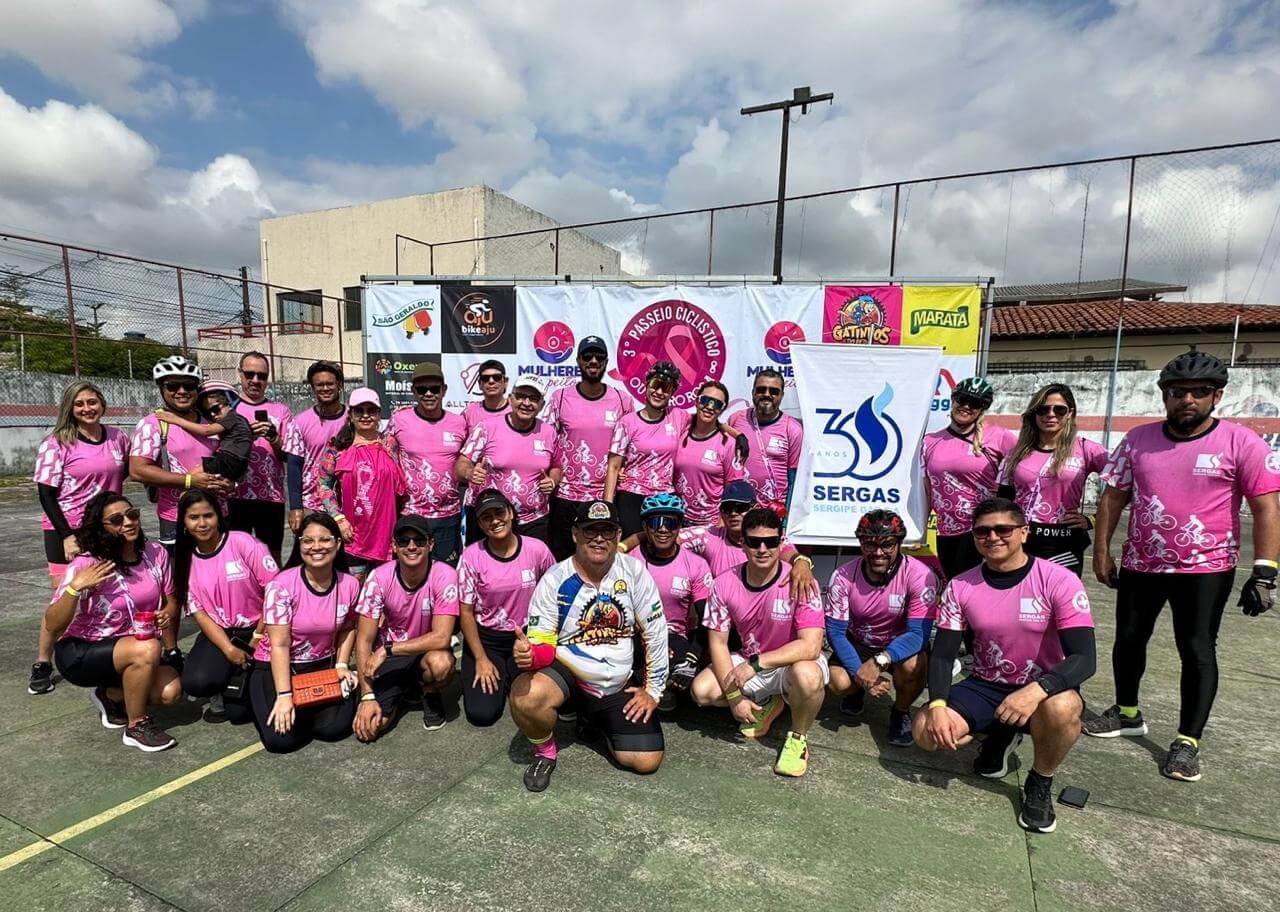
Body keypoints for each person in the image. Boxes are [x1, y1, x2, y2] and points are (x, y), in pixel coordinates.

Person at [1085, 352, 1280, 782]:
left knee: (1196, 650)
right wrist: (1101, 552)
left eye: (1199, 391)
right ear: (1164, 395)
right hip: (1142, 563)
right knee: (1129, 640)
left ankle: (1188, 741)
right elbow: (1113, 496)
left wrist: (1265, 570)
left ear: (1217, 396)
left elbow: (1266, 507)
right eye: (1177, 391)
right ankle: (1127, 713)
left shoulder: (1242, 442)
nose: (1187, 399)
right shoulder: (1138, 440)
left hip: (1206, 569)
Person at [915, 497, 1096, 835]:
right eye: (983, 531)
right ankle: (1001, 734)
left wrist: (1036, 690)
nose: (993, 537)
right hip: (986, 684)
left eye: (1003, 529)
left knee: (1064, 707)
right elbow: (942, 655)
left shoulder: (1059, 580)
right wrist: (937, 705)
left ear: (1024, 532)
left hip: (1043, 689)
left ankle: (1040, 780)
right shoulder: (960, 585)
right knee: (926, 733)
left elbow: (1085, 659)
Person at [508, 500, 668, 792]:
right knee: (525, 695)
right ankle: (545, 752)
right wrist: (530, 655)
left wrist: (653, 692)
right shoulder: (555, 578)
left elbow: (655, 633)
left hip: (618, 683)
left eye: (607, 531)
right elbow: (543, 644)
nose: (598, 539)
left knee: (646, 761)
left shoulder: (634, 572)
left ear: (618, 535)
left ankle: (595, 722)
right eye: (590, 530)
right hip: (571, 677)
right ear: (575, 534)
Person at [690, 508, 827, 777]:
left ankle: (797, 738)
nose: (762, 549)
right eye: (754, 542)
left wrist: (756, 664)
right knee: (702, 691)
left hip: (789, 664)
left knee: (808, 676)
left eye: (770, 542)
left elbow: (811, 646)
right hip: (752, 658)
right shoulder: (723, 583)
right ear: (742, 543)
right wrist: (734, 698)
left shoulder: (801, 581)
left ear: (780, 543)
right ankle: (767, 702)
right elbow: (718, 643)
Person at [45, 492, 183, 752]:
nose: (128, 522)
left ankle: (109, 694)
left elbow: (172, 601)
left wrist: (166, 613)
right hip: (82, 651)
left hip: (131, 648)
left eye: (132, 515)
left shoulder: (155, 553)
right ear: (101, 527)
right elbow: (53, 624)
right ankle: (137, 726)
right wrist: (75, 588)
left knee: (170, 691)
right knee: (148, 648)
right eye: (117, 520)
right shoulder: (88, 563)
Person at [29, 380, 130, 696]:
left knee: (107, 592)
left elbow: (126, 472)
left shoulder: (118, 437)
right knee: (64, 598)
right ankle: (43, 661)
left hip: (106, 528)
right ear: (70, 409)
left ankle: (102, 654)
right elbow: (46, 494)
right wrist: (67, 535)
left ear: (102, 403)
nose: (87, 408)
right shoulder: (57, 443)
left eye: (92, 402)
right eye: (79, 404)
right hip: (67, 530)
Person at [824, 510, 939, 746]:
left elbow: (918, 634)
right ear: (860, 543)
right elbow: (835, 633)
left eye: (887, 545)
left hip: (899, 644)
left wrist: (879, 661)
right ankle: (856, 691)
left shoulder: (920, 575)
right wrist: (860, 673)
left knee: (914, 664)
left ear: (899, 543)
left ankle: (900, 712)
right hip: (860, 642)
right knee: (837, 681)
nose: (878, 553)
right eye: (870, 544)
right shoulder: (842, 576)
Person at [249, 513, 360, 753]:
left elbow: (349, 627)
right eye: (308, 540)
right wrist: (284, 695)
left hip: (321, 664)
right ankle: (263, 698)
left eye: (325, 539)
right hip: (278, 665)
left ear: (338, 543)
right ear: (299, 545)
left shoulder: (350, 584)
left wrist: (342, 665)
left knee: (334, 729)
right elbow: (279, 645)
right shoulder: (281, 586)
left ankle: (306, 709)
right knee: (281, 741)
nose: (316, 547)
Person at [174, 490, 277, 724]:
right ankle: (222, 679)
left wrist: (258, 636)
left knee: (239, 714)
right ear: (184, 522)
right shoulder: (184, 560)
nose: (202, 524)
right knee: (197, 682)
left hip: (260, 628)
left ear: (219, 516)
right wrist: (228, 649)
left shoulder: (243, 542)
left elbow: (275, 592)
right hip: (220, 633)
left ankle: (241, 678)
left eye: (208, 515)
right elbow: (199, 613)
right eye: (194, 517)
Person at [352, 515, 459, 741]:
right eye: (403, 541)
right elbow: (363, 639)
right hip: (391, 661)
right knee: (369, 730)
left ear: (431, 544)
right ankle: (403, 692)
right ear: (393, 546)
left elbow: (442, 637)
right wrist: (367, 695)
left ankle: (428, 690)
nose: (411, 546)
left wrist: (387, 649)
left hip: (423, 652)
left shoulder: (445, 575)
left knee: (442, 663)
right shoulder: (378, 577)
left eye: (419, 540)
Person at [456, 489, 555, 727]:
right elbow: (466, 612)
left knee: (538, 699)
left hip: (527, 637)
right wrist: (480, 658)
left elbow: (554, 592)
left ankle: (511, 676)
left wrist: (544, 640)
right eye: (486, 517)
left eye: (499, 513)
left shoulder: (537, 549)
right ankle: (499, 674)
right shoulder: (471, 557)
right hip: (488, 640)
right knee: (482, 714)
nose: (494, 521)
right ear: (480, 523)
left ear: (510, 513)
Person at [621, 480, 818, 598]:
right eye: (727, 508)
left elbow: (789, 552)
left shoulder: (766, 537)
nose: (733, 513)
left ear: (755, 507)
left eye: (740, 508)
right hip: (722, 614)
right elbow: (664, 534)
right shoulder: (709, 535)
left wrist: (802, 562)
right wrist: (621, 547)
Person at [997, 384, 1108, 576]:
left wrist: (1092, 520)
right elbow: (1002, 500)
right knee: (1019, 593)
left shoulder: (1086, 449)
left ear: (1070, 413)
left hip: (1064, 541)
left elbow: (1126, 485)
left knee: (1060, 594)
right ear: (1034, 413)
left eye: (1059, 410)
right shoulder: (1016, 453)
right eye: (1043, 409)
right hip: (1021, 538)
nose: (1051, 414)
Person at [544, 336, 633, 559]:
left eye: (599, 357)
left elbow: (633, 443)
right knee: (562, 559)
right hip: (565, 496)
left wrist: (625, 468)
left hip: (605, 495)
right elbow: (546, 441)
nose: (593, 361)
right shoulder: (560, 397)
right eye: (587, 356)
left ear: (606, 362)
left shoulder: (622, 400)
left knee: (602, 560)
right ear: (578, 361)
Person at [922, 376, 1017, 580]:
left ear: (983, 408)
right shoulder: (930, 441)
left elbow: (1028, 476)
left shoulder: (1000, 437)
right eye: (962, 399)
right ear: (953, 400)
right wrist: (919, 530)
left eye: (974, 403)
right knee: (955, 587)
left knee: (982, 589)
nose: (966, 406)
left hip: (984, 531)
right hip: (946, 531)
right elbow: (927, 489)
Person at [130, 355, 230, 548]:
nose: (182, 391)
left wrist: (231, 483)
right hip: (176, 516)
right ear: (161, 388)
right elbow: (137, 470)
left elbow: (231, 460)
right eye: (173, 386)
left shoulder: (212, 422)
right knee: (180, 567)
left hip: (217, 513)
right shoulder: (153, 424)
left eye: (189, 386)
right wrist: (190, 481)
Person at [315, 388, 407, 580]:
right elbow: (323, 485)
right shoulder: (337, 447)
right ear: (350, 414)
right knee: (353, 591)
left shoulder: (390, 444)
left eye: (371, 410)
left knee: (383, 591)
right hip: (352, 536)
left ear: (379, 414)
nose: (365, 416)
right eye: (359, 410)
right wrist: (338, 519)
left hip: (386, 537)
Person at [632, 494, 713, 710]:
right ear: (645, 527)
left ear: (679, 527)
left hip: (673, 635)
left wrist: (692, 657)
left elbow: (707, 617)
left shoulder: (696, 564)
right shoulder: (630, 559)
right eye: (655, 522)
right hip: (635, 632)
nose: (663, 529)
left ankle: (660, 683)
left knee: (680, 672)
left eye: (670, 523)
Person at [456, 376, 559, 544]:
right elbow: (462, 463)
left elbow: (557, 466)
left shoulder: (549, 432)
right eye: (521, 396)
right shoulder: (486, 427)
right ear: (511, 399)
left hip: (533, 520)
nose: (526, 403)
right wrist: (469, 473)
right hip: (490, 519)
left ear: (541, 405)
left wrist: (553, 480)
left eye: (533, 398)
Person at [387, 363, 467, 564]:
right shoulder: (399, 420)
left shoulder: (459, 423)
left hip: (448, 516)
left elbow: (468, 463)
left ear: (444, 390)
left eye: (434, 389)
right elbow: (385, 462)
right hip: (411, 514)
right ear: (413, 391)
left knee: (446, 573)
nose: (429, 394)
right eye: (422, 389)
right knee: (411, 575)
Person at [604, 360, 691, 537]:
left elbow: (708, 422)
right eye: (655, 385)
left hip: (664, 498)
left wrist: (737, 434)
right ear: (646, 385)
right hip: (631, 496)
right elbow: (613, 467)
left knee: (661, 548)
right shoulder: (627, 422)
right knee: (629, 547)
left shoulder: (678, 417)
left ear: (672, 393)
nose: (659, 392)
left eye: (665, 388)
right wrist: (607, 508)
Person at [728, 367, 804, 517]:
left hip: (772, 513)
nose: (767, 395)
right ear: (753, 392)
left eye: (773, 391)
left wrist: (786, 519)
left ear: (782, 395)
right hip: (739, 509)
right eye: (761, 390)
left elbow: (794, 479)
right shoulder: (735, 419)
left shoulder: (793, 429)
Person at [285, 361, 348, 539]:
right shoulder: (300, 422)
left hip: (345, 504)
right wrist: (296, 506)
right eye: (320, 385)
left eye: (330, 383)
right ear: (313, 388)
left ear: (339, 385)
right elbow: (294, 466)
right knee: (312, 552)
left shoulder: (352, 419)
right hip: (311, 504)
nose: (325, 388)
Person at [673, 381, 745, 527]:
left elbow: (733, 489)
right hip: (677, 520)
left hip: (711, 525)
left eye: (717, 404)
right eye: (705, 400)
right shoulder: (680, 429)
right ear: (696, 401)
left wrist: (721, 525)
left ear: (722, 409)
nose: (710, 407)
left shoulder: (729, 444)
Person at [155, 380, 253, 481]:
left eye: (215, 409)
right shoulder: (241, 421)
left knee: (192, 476)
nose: (212, 415)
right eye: (207, 413)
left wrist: (175, 419)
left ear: (229, 402)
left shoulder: (231, 418)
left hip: (229, 459)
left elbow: (206, 430)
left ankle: (178, 487)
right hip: (240, 464)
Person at [462, 358, 511, 436]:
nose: (491, 381)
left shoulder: (515, 411)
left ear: (505, 382)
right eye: (485, 378)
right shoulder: (469, 412)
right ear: (479, 384)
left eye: (496, 377)